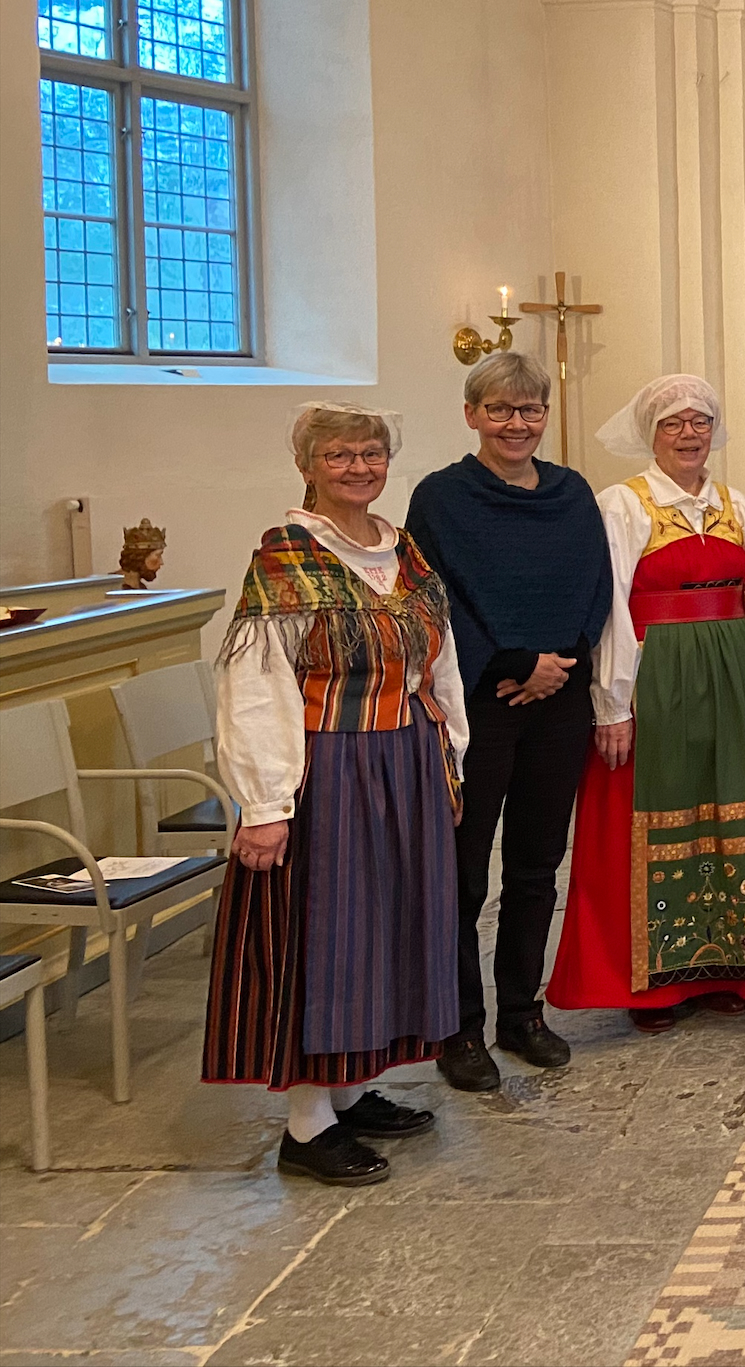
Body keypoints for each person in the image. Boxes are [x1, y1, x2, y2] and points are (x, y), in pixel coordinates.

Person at [205, 403, 469, 1186]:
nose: (358, 468)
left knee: (389, 930)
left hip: (407, 762)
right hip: (332, 771)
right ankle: (306, 1124)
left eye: (372, 454)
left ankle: (352, 1093)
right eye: (340, 456)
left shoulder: (403, 550)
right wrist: (264, 803)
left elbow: (439, 661)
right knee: (330, 939)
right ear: (309, 467)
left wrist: (450, 757)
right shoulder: (286, 558)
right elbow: (256, 686)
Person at [548, 375, 745, 1030]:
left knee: (730, 817)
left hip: (731, 679)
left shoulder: (737, 505)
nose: (689, 434)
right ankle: (652, 986)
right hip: (658, 680)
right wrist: (613, 704)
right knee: (655, 821)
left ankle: (730, 966)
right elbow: (609, 606)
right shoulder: (622, 505)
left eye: (700, 421)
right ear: (652, 433)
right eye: (673, 423)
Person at [405, 351, 612, 1094]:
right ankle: (458, 1027)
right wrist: (510, 663)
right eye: (499, 410)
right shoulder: (441, 497)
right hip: (478, 703)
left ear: (545, 416)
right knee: (463, 872)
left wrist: (561, 661)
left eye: (529, 410)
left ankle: (520, 1014)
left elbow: (597, 582)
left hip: (558, 700)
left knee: (534, 865)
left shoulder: (570, 492)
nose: (516, 423)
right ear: (471, 415)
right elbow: (435, 594)